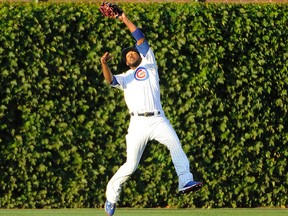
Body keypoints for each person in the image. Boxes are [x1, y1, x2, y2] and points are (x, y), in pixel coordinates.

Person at [100, 10, 203, 216]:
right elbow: (110, 81)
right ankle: (111, 197)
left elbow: (139, 37)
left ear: (140, 54)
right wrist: (104, 64)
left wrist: (122, 17)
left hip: (158, 119)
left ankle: (185, 181)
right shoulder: (125, 78)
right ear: (125, 61)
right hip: (137, 124)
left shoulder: (149, 64)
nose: (130, 54)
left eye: (133, 52)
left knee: (176, 146)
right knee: (130, 166)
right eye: (127, 55)